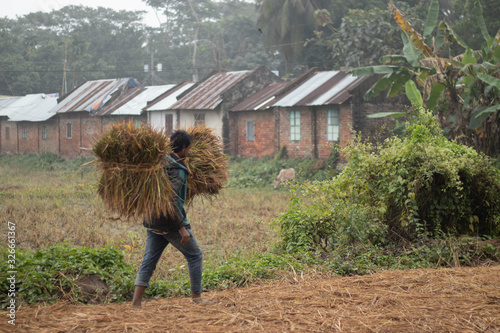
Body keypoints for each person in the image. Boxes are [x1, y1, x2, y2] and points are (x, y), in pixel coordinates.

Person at [131, 129, 209, 307]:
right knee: (195, 255)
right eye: (188, 148)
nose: (189, 152)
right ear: (182, 148)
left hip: (152, 220)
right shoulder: (178, 170)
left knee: (149, 260)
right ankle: (197, 297)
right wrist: (182, 228)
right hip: (169, 222)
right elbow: (171, 200)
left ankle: (136, 302)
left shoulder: (160, 162)